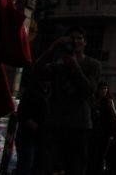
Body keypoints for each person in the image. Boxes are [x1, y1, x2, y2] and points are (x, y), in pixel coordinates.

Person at [40, 30, 101, 175]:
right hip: (56, 121)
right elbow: (37, 73)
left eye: (79, 38)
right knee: (49, 166)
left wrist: (74, 66)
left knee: (75, 167)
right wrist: (51, 49)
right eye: (71, 38)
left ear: (85, 42)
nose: (75, 42)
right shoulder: (57, 63)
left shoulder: (93, 64)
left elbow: (88, 90)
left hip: (79, 125)